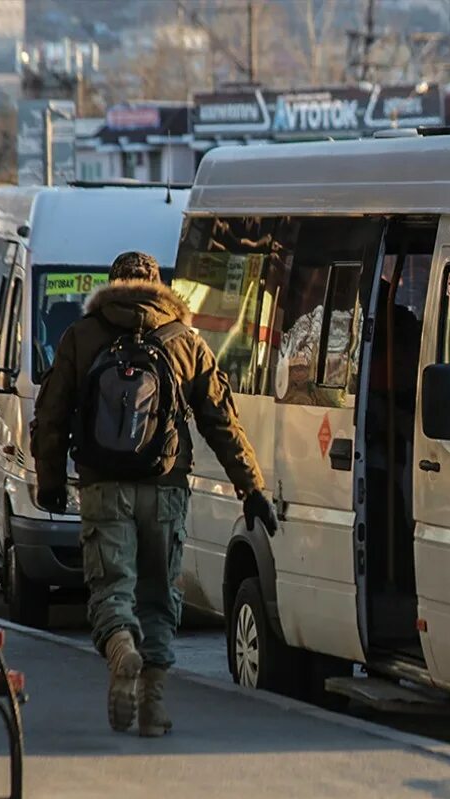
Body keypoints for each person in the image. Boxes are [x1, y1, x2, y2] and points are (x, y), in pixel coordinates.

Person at [32, 251, 276, 737]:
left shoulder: (81, 336)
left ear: (112, 283)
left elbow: (51, 417)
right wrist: (252, 488)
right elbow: (221, 422)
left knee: (111, 587)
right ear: (160, 286)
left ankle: (121, 646)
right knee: (160, 595)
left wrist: (51, 483)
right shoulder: (186, 341)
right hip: (165, 489)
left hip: (103, 486)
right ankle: (152, 708)